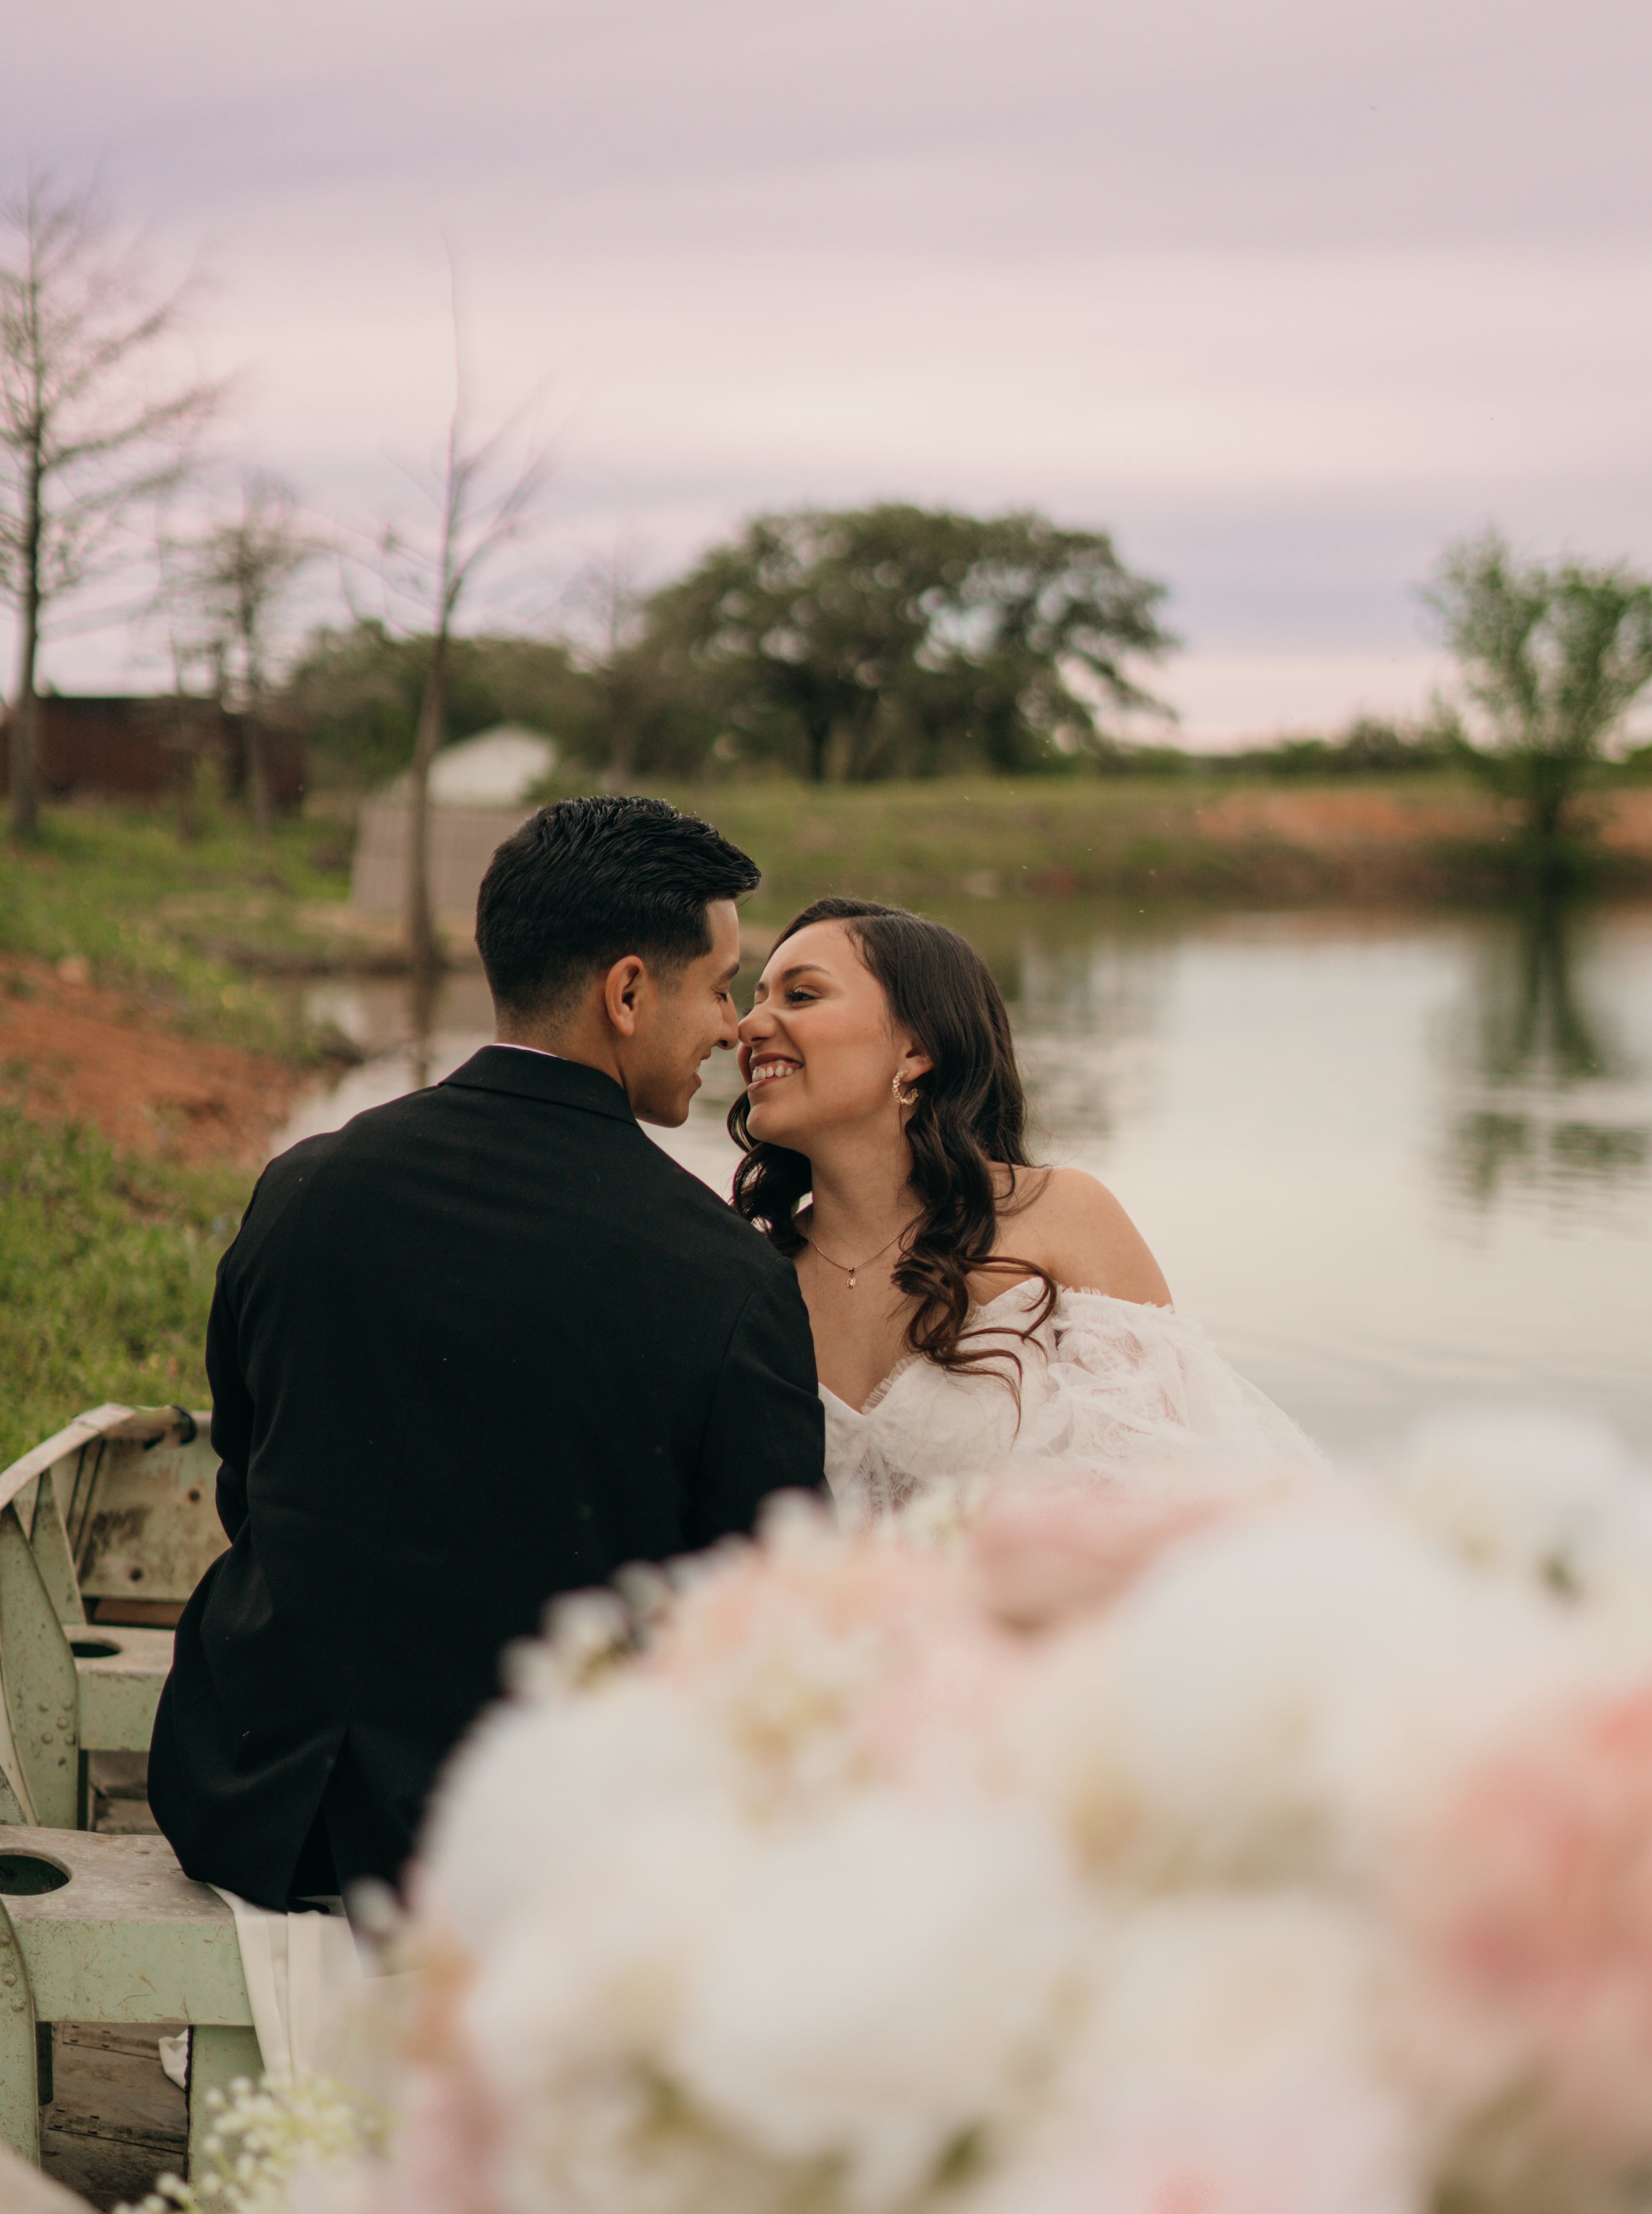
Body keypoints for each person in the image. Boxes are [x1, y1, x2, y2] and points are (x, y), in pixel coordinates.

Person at [149, 796, 825, 1907]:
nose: (728, 1029)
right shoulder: (728, 1277)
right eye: (716, 989)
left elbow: (250, 1480)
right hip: (528, 1853)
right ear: (626, 992)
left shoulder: (306, 1186)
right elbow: (759, 1618)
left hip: (255, 1802)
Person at [730, 895, 1315, 1510]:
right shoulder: (752, 1275)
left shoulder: (1062, 1217)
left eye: (801, 995)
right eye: (755, 997)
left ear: (916, 1049)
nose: (749, 1025)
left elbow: (1178, 1490)